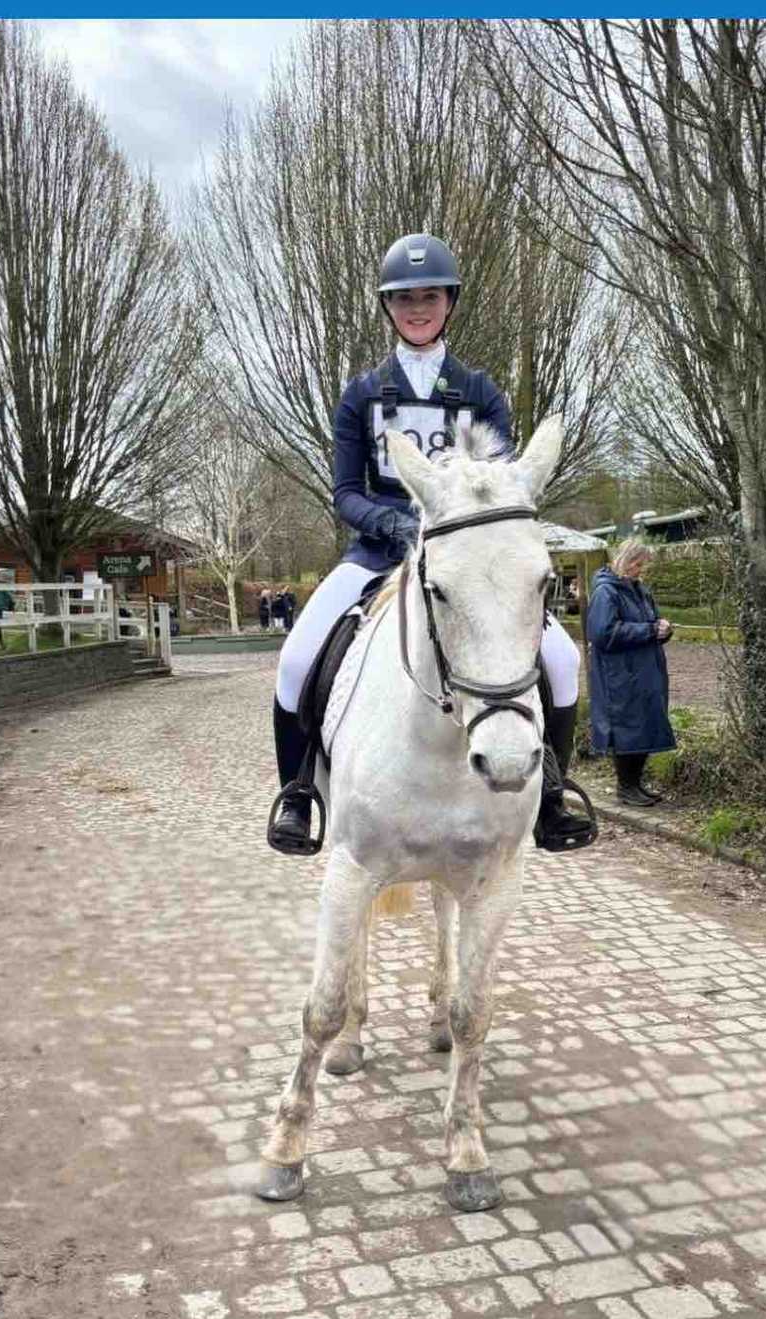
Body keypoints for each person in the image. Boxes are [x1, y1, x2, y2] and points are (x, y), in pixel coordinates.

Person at [267, 231, 593, 854]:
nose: (418, 308)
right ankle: (299, 795)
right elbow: (345, 492)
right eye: (405, 298)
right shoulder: (362, 394)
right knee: (295, 660)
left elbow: (500, 487)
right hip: (379, 550)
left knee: (560, 659)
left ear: (450, 303)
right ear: (388, 307)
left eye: (430, 297)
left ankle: (550, 793)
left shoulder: (480, 392)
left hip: (466, 559)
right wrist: (391, 525)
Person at [586, 538, 676, 807]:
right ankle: (626, 787)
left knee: (645, 727)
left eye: (643, 565)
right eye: (638, 564)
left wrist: (663, 630)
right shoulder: (606, 592)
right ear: (625, 560)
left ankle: (635, 785)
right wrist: (649, 630)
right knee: (628, 730)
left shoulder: (640, 590)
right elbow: (603, 633)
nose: (641, 570)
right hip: (621, 675)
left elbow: (650, 622)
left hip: (645, 671)